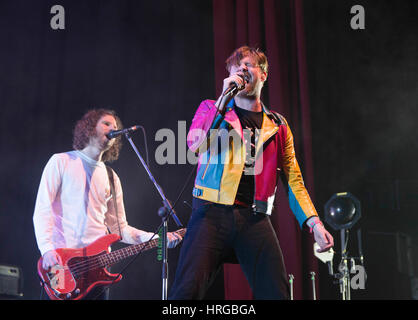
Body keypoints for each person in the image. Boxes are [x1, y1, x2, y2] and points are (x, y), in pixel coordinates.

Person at [168, 46, 334, 300]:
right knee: (184, 296)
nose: (242, 70)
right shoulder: (211, 108)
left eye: (248, 65)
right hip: (209, 216)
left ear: (264, 75)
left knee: (276, 294)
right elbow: (195, 145)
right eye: (237, 67)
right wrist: (222, 101)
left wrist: (314, 222)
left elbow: (293, 180)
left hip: (254, 219)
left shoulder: (278, 126)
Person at [33, 109, 182, 300]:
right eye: (107, 123)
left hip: (98, 271)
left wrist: (159, 238)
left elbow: (121, 230)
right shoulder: (61, 161)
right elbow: (42, 209)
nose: (114, 128)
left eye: (116, 126)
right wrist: (46, 249)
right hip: (63, 264)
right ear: (89, 127)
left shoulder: (112, 178)